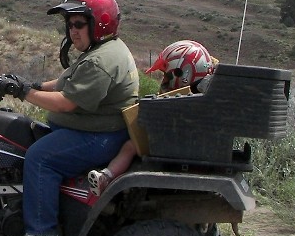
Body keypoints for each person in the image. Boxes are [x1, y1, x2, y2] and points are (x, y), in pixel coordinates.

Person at [0, 0, 139, 236]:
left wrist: (24, 93)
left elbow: (65, 102)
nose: (73, 31)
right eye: (70, 25)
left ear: (100, 23)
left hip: (99, 137)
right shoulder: (104, 48)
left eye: (79, 24)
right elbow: (64, 83)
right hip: (99, 129)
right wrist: (28, 84)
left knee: (40, 157)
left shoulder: (100, 61)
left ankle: (42, 234)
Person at [87, 39, 218, 194]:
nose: (164, 79)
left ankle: (107, 176)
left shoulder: (185, 97)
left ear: (184, 74)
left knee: (130, 146)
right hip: (188, 140)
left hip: (174, 141)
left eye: (167, 75)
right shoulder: (209, 90)